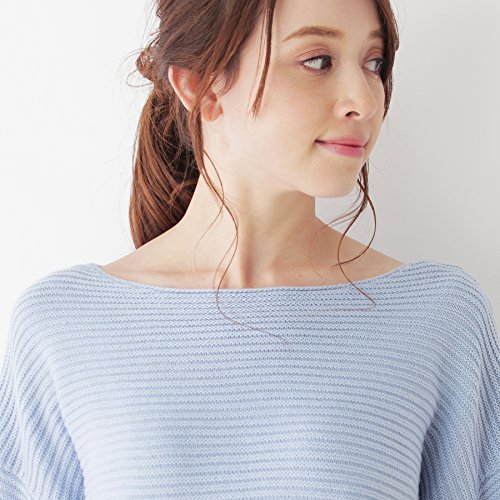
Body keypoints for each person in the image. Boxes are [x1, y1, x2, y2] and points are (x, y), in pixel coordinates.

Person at [0, 0, 499, 498]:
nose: (364, 102)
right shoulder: (64, 324)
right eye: (318, 60)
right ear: (202, 87)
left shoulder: (437, 314)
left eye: (374, 63)